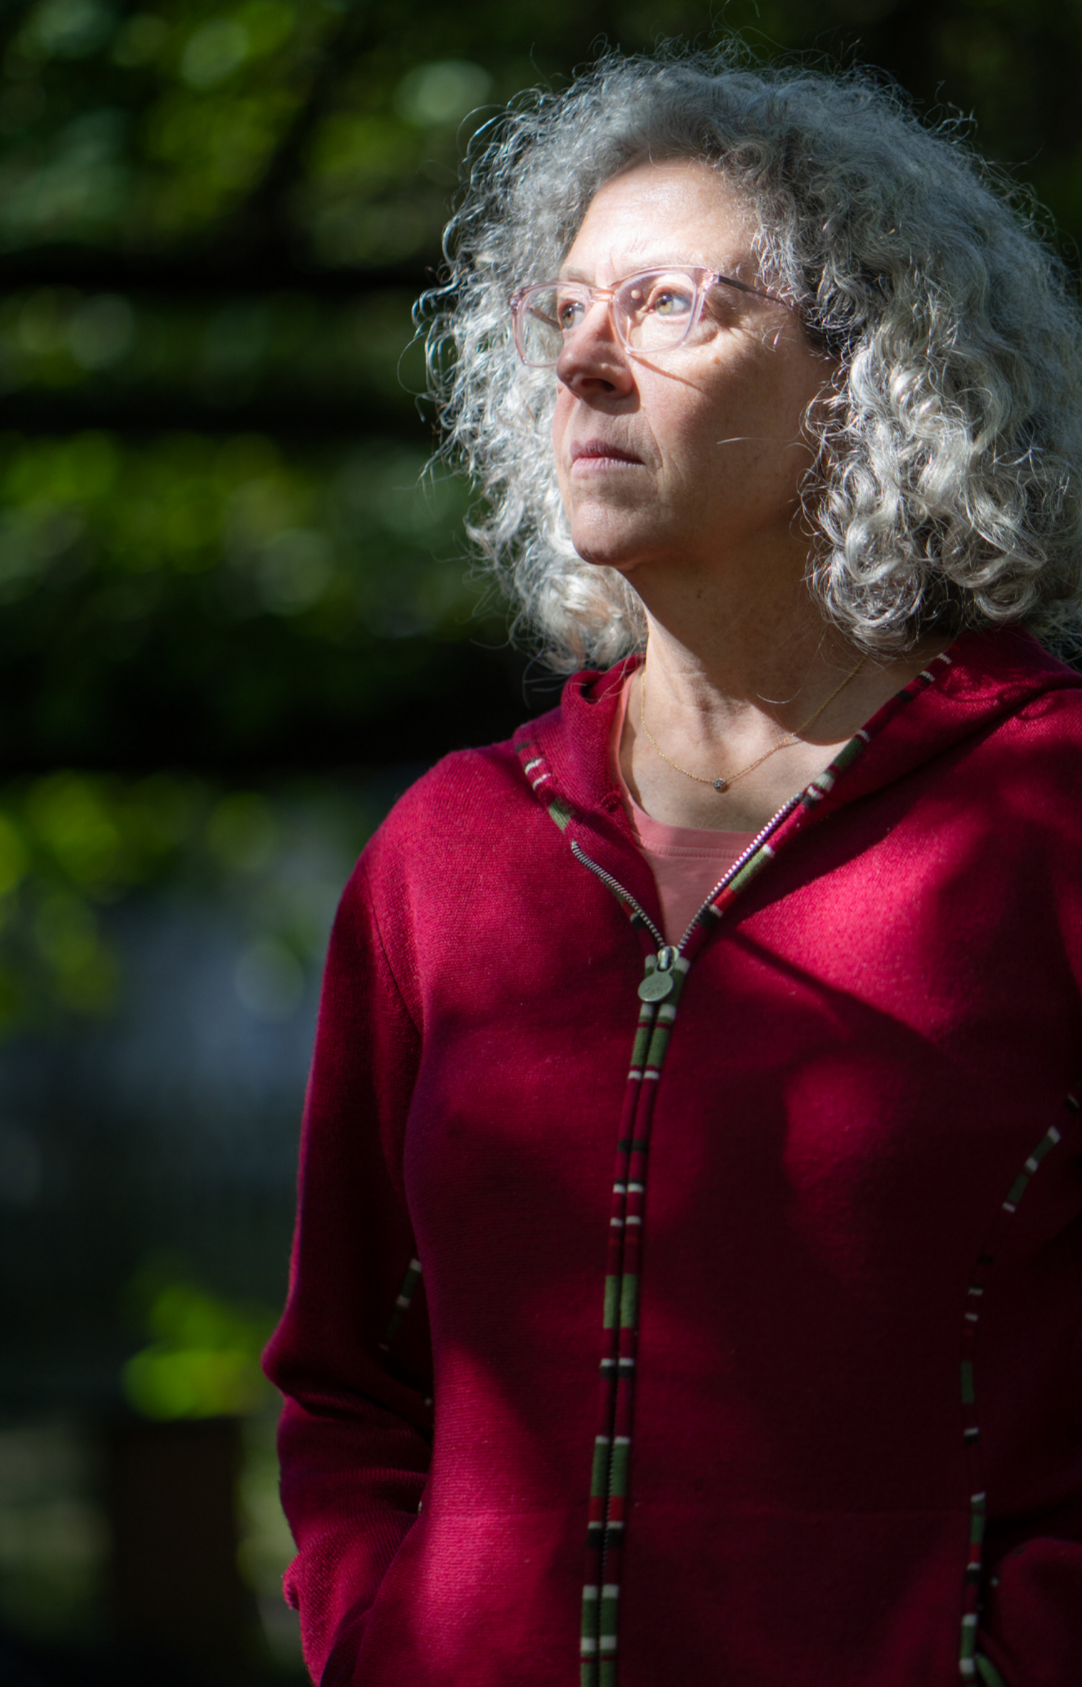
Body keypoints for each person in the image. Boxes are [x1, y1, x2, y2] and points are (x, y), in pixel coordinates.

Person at [264, 53, 1082, 1687]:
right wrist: (382, 1637)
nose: (584, 358)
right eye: (564, 310)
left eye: (669, 305)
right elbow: (348, 1377)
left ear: (868, 368)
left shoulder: (1049, 818)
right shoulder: (450, 853)